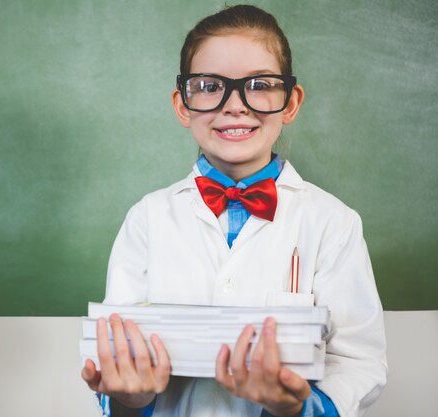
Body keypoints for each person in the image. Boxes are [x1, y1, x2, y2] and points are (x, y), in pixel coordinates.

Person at [81, 4, 387, 417]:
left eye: (260, 83)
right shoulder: (147, 219)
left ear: (291, 102)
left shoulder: (334, 223)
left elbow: (358, 364)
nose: (235, 105)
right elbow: (119, 352)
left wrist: (300, 408)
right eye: (209, 86)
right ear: (183, 104)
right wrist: (127, 398)